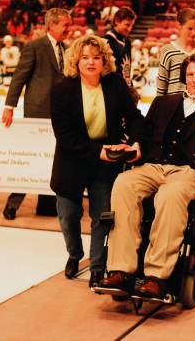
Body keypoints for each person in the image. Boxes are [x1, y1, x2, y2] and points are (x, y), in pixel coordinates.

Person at [97, 52, 195, 299]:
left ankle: (156, 275)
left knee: (170, 194)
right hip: (153, 166)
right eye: (190, 75)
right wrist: (134, 148)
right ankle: (121, 270)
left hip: (190, 171)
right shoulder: (163, 103)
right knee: (123, 183)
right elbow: (142, 136)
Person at [50, 35, 143, 285]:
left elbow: (134, 117)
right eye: (85, 58)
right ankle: (74, 254)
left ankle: (97, 267)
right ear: (76, 61)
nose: (91, 63)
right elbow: (65, 136)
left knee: (102, 216)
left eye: (96, 57)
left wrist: (134, 141)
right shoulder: (62, 90)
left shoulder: (114, 84)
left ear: (104, 61)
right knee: (68, 215)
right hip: (72, 161)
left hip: (106, 161)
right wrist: (97, 151)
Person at [2, 8, 72, 220]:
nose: (69, 29)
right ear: (51, 25)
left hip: (60, 113)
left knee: (53, 160)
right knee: (32, 160)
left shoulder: (65, 48)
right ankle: (13, 204)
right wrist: (9, 106)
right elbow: (19, 77)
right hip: (38, 111)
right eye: (65, 25)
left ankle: (47, 205)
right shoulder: (34, 46)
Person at [156, 8, 195, 96]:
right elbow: (162, 83)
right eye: (190, 28)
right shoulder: (167, 50)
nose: (194, 33)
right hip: (174, 105)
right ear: (179, 26)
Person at [103, 7, 136, 79]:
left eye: (131, 26)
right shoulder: (106, 41)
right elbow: (107, 70)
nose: (130, 29)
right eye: (127, 25)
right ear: (117, 21)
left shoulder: (127, 41)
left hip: (124, 83)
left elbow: (127, 67)